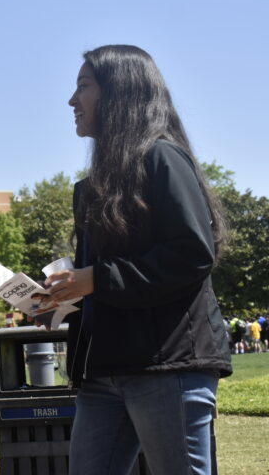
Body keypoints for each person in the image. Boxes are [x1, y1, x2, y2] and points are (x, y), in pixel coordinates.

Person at [37, 45, 232, 475]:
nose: (72, 101)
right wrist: (62, 301)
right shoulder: (93, 187)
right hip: (103, 372)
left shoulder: (163, 158)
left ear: (119, 94)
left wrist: (96, 279)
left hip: (168, 368)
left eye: (83, 86)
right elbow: (99, 284)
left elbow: (192, 254)